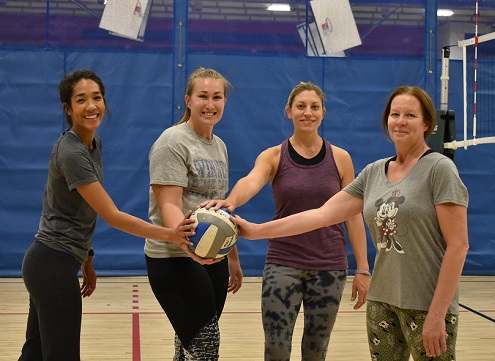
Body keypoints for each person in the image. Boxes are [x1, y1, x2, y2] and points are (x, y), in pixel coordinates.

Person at [231, 85, 469, 361]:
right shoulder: (374, 173)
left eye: (410, 115)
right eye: (395, 114)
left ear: (427, 123)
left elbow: (459, 245)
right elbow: (321, 215)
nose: (400, 121)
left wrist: (438, 313)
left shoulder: (440, 169)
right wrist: (257, 231)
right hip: (383, 302)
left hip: (425, 302)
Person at [19, 69, 196, 361]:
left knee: (35, 354)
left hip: (55, 261)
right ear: (68, 108)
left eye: (97, 98)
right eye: (81, 100)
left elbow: (77, 209)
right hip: (51, 262)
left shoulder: (92, 144)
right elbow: (112, 215)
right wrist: (170, 234)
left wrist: (86, 257)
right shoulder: (71, 152)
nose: (91, 106)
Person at [201, 81, 369, 361]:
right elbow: (251, 181)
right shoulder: (273, 156)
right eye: (300, 106)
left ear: (324, 113)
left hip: (329, 266)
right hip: (283, 263)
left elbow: (352, 216)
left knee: (316, 351)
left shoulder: (340, 158)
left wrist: (362, 269)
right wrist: (231, 202)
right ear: (288, 112)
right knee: (276, 350)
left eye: (314, 107)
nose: (308, 113)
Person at [144, 67, 243, 361]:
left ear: (225, 102)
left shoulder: (220, 146)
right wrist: (190, 247)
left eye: (217, 97)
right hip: (174, 257)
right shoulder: (172, 141)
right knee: (205, 346)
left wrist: (232, 257)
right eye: (202, 96)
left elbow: (219, 209)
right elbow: (170, 206)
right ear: (188, 100)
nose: (210, 104)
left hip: (213, 258)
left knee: (189, 347)